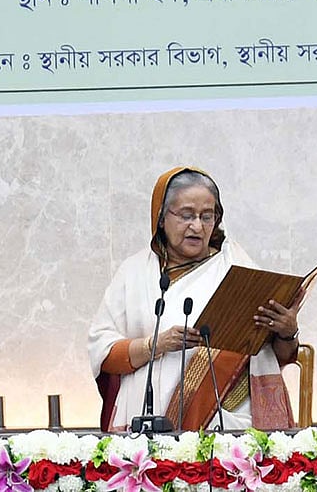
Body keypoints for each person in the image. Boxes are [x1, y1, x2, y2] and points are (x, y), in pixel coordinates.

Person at [88, 166, 299, 432]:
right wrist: (155, 344)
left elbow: (273, 356)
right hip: (146, 423)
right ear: (161, 218)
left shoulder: (237, 267)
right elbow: (102, 353)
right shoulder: (133, 273)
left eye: (207, 216)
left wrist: (288, 333)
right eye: (186, 215)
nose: (197, 226)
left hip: (226, 423)